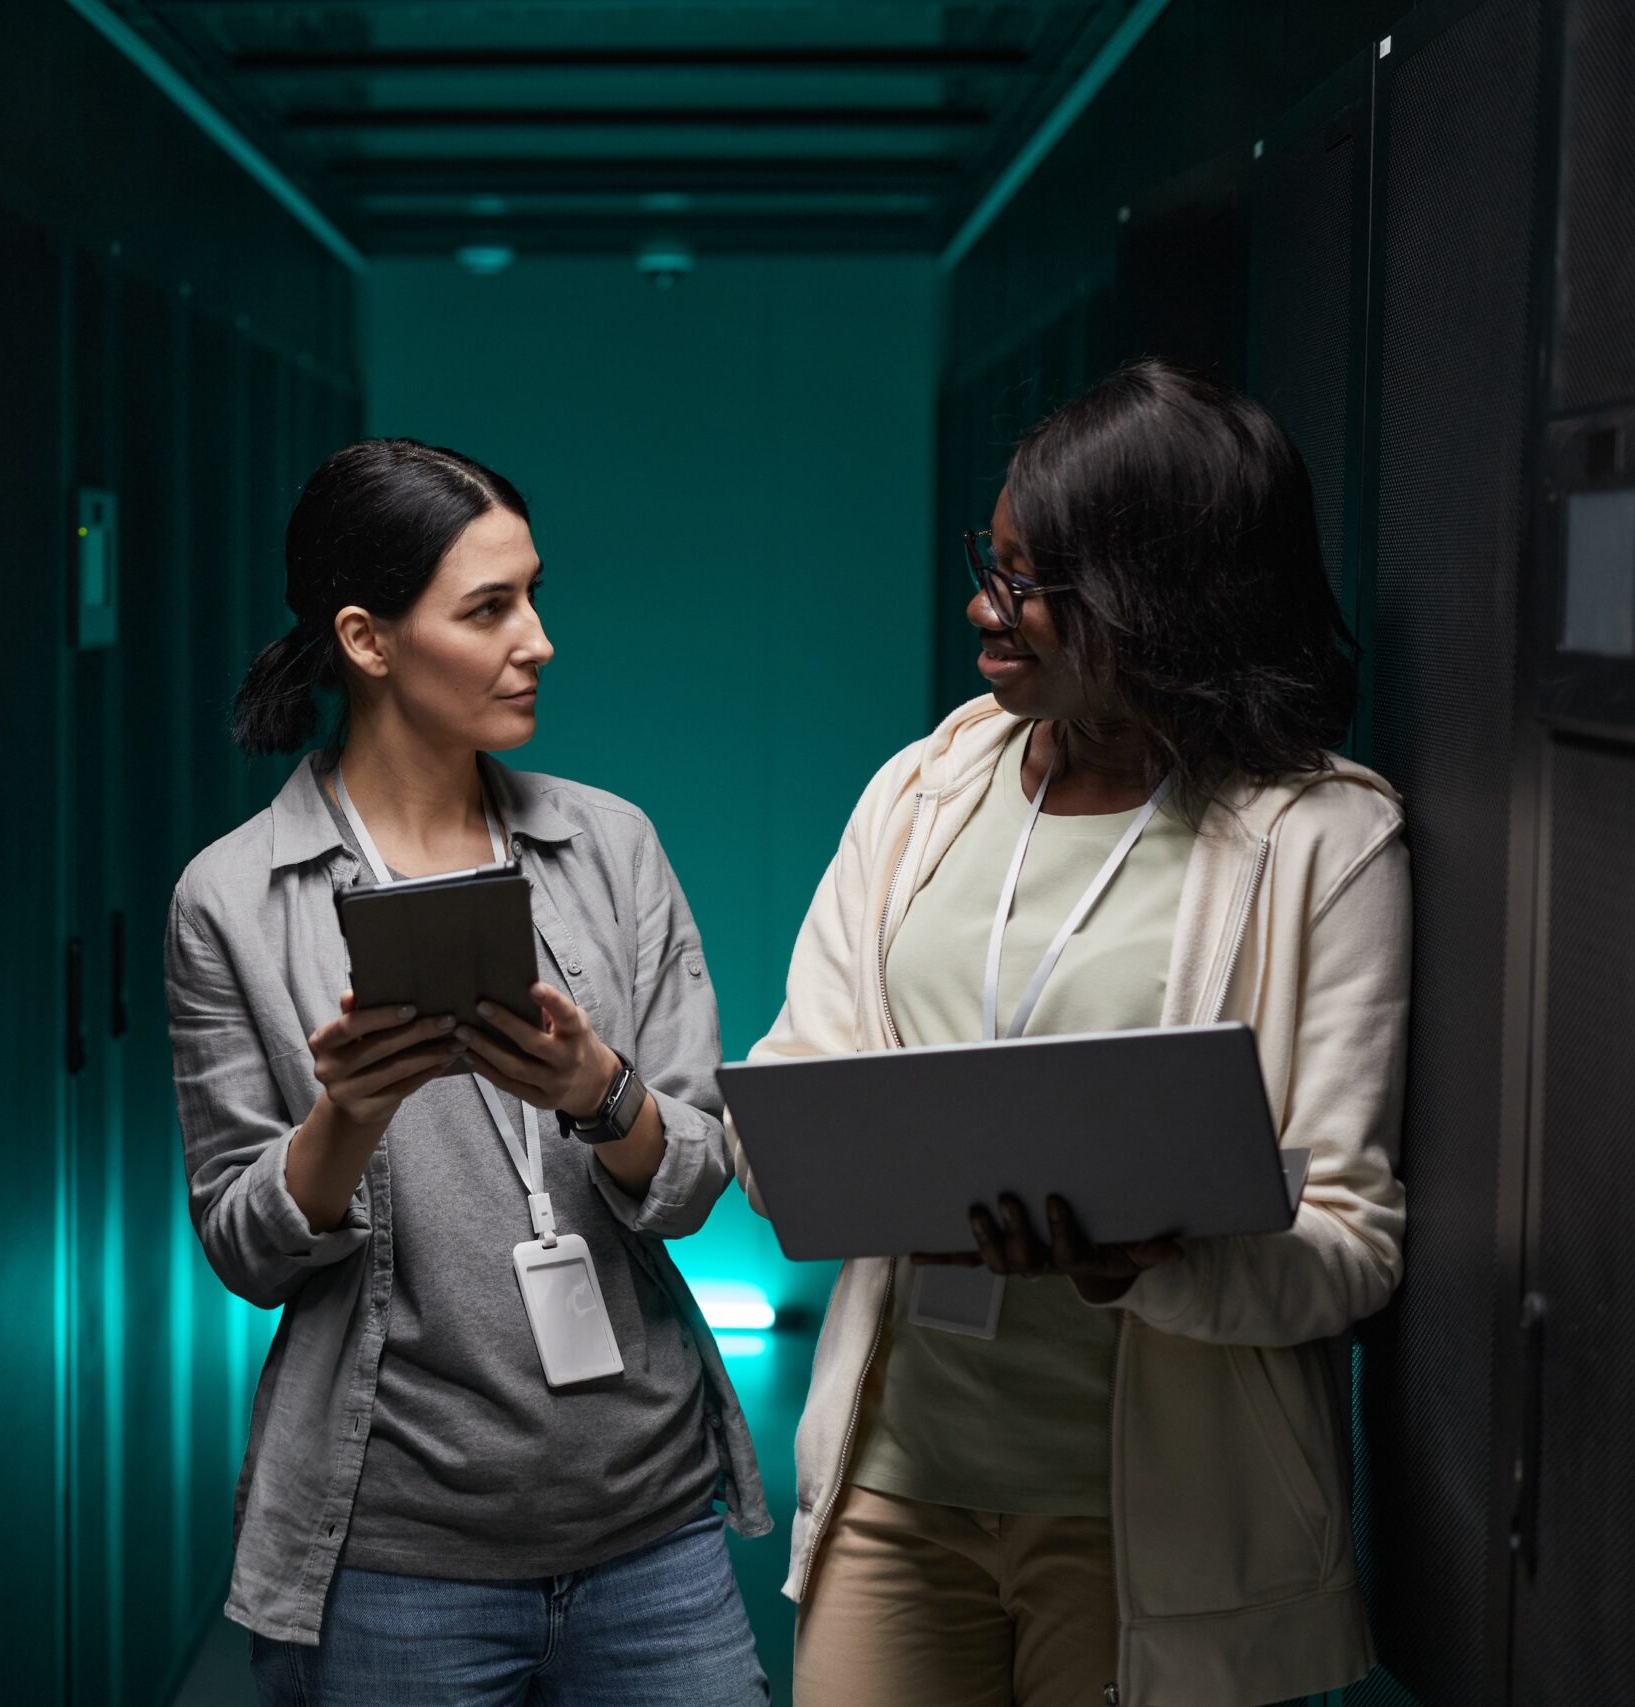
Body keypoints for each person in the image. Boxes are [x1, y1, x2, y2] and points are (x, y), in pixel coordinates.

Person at [734, 360, 1410, 1707]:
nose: (988, 605)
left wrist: (1134, 1266)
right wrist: (826, 1163)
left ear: (1164, 597)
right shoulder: (922, 789)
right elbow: (792, 1085)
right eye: (994, 559)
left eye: (1037, 582)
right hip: (895, 1494)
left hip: (1151, 1539)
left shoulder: (1321, 839)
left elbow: (1348, 1243)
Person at [165, 438, 771, 1705]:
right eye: (489, 608)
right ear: (367, 640)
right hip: (395, 1559)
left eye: (533, 595)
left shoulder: (607, 846)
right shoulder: (233, 898)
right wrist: (349, 1115)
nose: (537, 638)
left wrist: (601, 1094)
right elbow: (243, 1246)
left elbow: (700, 1172)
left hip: (650, 1530)